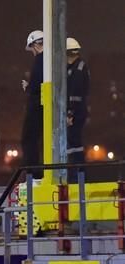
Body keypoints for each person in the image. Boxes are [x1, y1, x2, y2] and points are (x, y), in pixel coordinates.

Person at [66, 37, 90, 183]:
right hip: (76, 110)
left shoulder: (78, 69)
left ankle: (76, 176)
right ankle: (75, 174)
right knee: (72, 143)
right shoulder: (74, 67)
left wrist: (70, 113)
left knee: (74, 142)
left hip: (76, 111)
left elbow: (75, 93)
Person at [21, 30, 44, 180]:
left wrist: (28, 87)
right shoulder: (50, 60)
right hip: (43, 104)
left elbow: (36, 85)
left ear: (35, 45)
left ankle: (33, 174)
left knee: (28, 138)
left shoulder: (40, 60)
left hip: (36, 105)